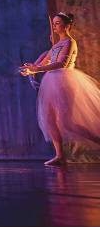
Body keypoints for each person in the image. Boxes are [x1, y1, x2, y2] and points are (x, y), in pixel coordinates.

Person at [21, 12, 100, 166]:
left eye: (58, 23)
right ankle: (59, 155)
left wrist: (37, 68)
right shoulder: (55, 45)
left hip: (64, 80)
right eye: (54, 23)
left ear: (67, 25)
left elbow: (61, 63)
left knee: (67, 122)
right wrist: (31, 69)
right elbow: (44, 61)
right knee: (50, 119)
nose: (55, 26)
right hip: (51, 82)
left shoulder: (70, 42)